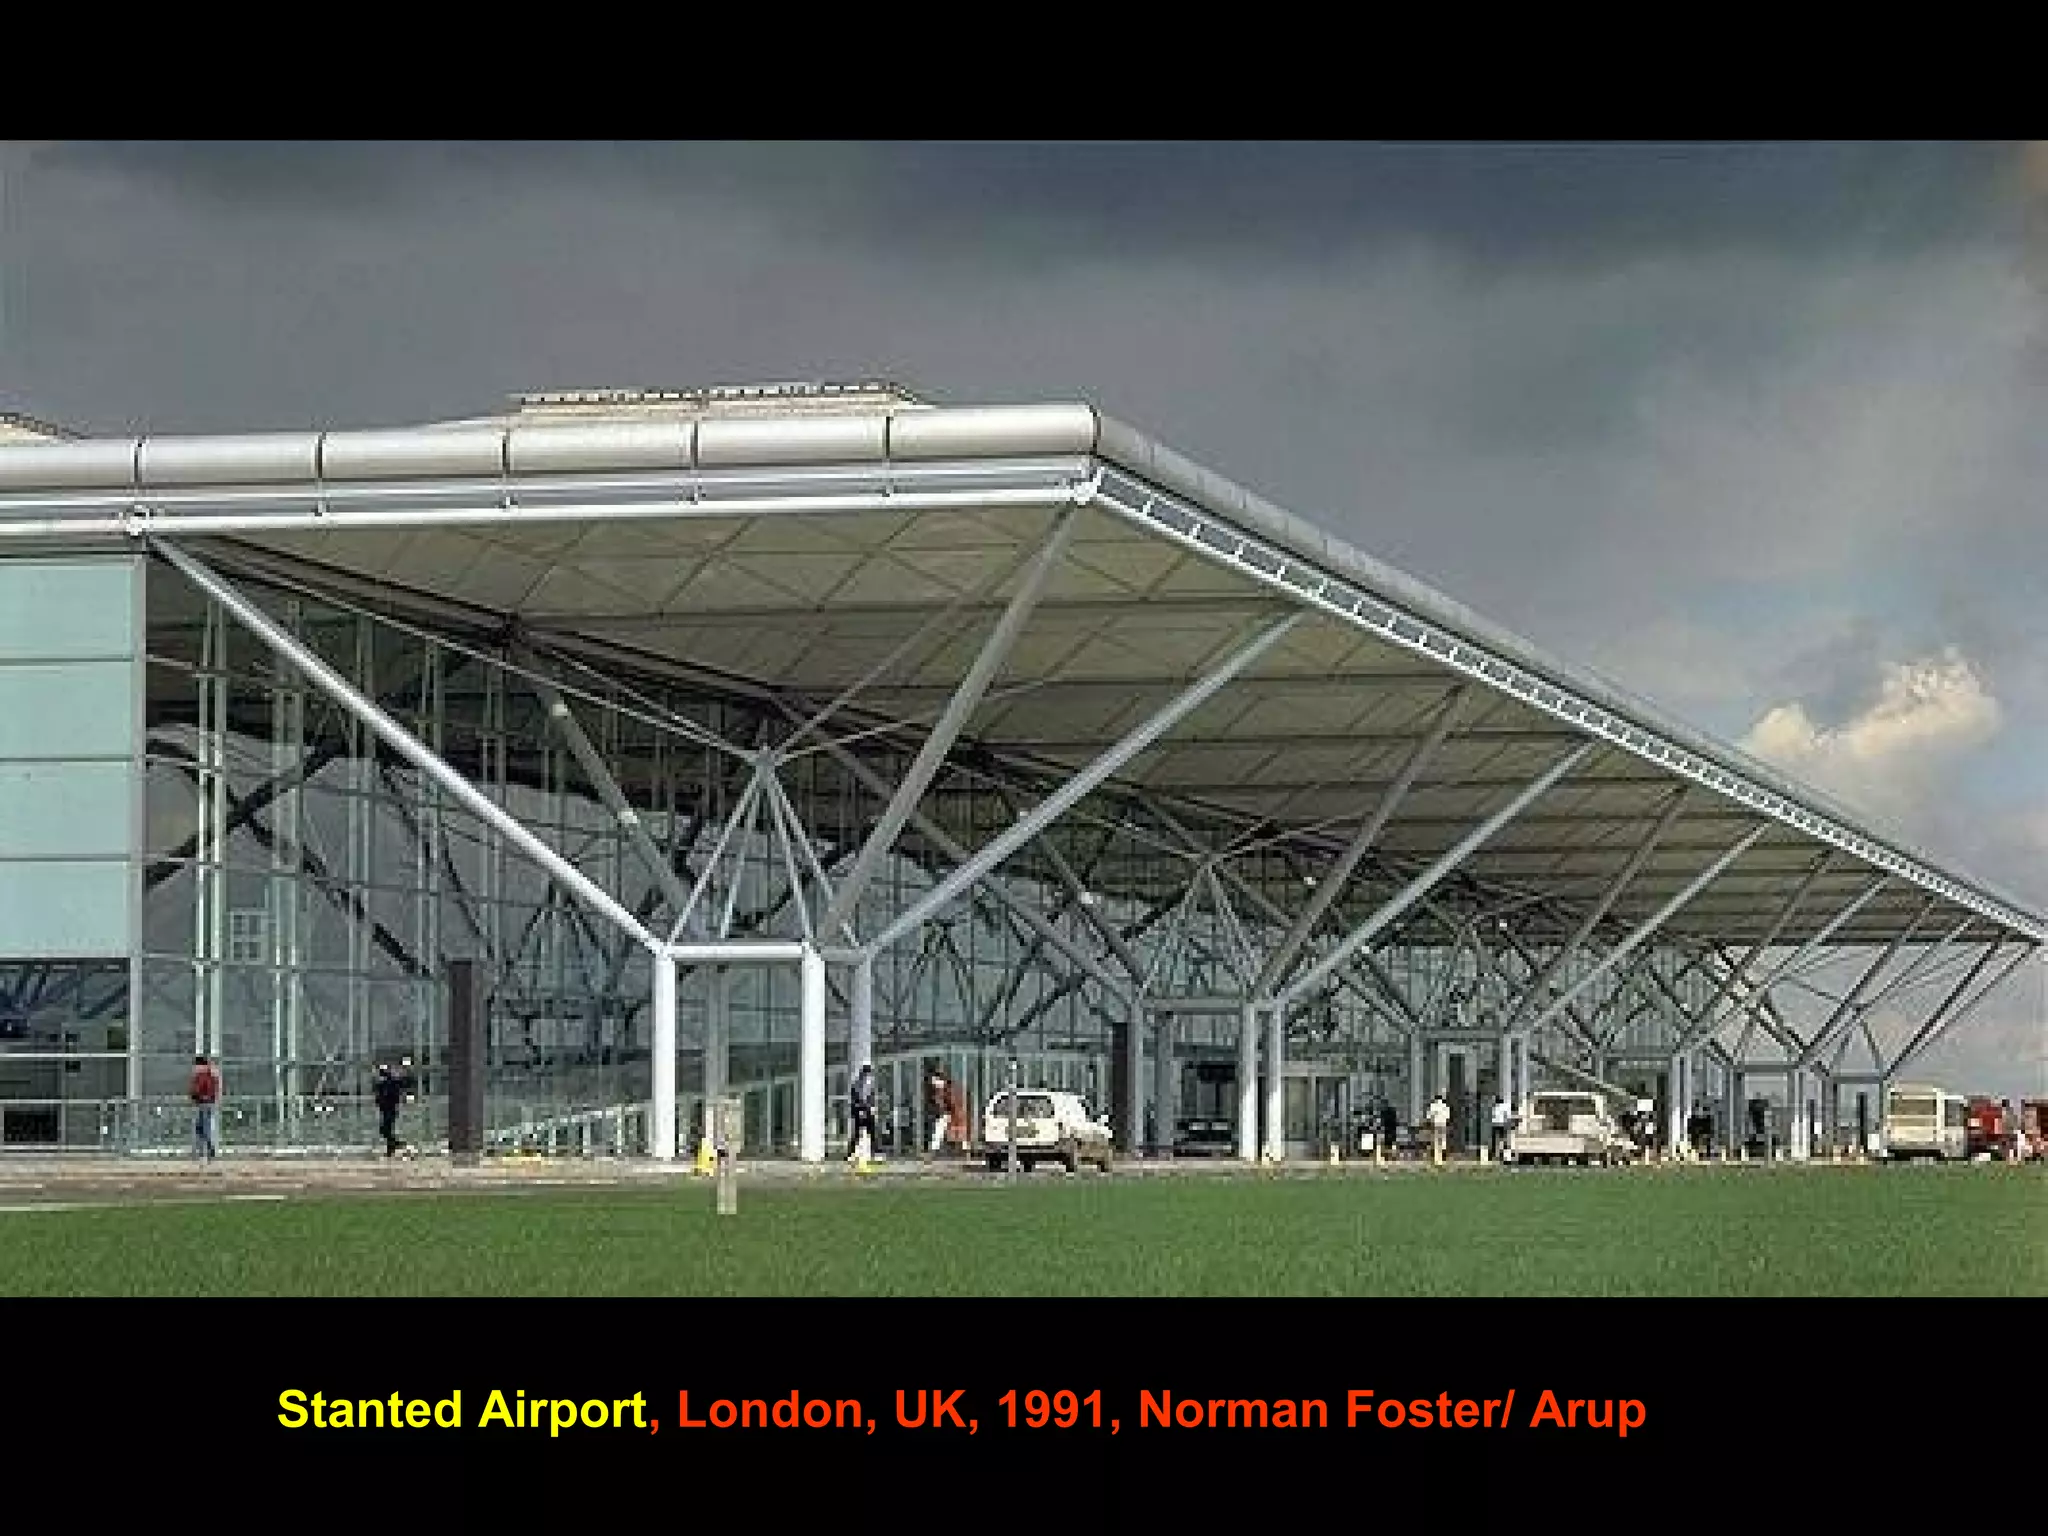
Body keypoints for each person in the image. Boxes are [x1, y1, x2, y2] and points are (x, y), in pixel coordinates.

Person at [372, 1062, 411, 1158]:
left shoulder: (390, 1083)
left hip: (390, 1109)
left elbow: (402, 1084)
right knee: (386, 1130)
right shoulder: (384, 1083)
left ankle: (396, 1145)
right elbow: (379, 1096)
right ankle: (392, 1148)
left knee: (386, 1130)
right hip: (387, 1109)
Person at [188, 1053, 221, 1162]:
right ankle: (205, 1151)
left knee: (202, 1128)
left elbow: (198, 1089)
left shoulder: (203, 1075)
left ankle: (205, 1151)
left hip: (203, 1103)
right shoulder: (210, 1074)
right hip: (206, 1102)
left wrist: (196, 1096)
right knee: (202, 1127)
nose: (195, 1067)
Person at [846, 1064, 878, 1164]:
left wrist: (872, 1107)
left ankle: (874, 1153)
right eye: (868, 1073)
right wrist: (860, 1109)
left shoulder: (870, 1085)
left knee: (872, 1132)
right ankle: (850, 1153)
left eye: (870, 1074)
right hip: (859, 1110)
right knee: (857, 1133)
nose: (869, 1076)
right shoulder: (856, 1084)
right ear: (864, 1074)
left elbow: (871, 1098)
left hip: (868, 1110)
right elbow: (855, 1099)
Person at [1425, 1093, 1451, 1164]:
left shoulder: (1433, 1106)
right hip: (1443, 1125)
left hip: (1435, 1125)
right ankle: (1442, 1159)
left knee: (1436, 1142)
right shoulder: (1445, 1106)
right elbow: (1448, 1118)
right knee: (1442, 1142)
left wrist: (1429, 1125)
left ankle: (1437, 1159)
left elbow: (1429, 1117)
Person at [1489, 1096, 1511, 1161]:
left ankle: (1497, 1154)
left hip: (1497, 1124)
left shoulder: (1497, 1107)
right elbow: (1507, 1116)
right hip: (1500, 1124)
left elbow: (1505, 1116)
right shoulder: (1500, 1107)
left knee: (1497, 1140)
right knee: (1502, 1140)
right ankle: (1502, 1154)